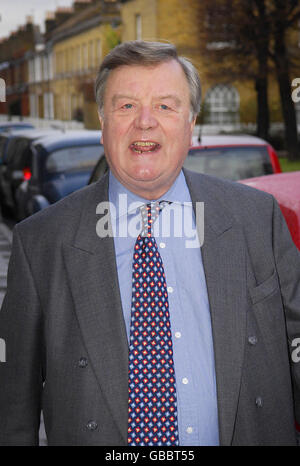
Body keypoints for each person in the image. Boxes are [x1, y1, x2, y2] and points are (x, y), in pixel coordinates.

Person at [0, 40, 300, 446]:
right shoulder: (40, 243)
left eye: (165, 105)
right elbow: (12, 409)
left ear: (191, 123)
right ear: (102, 123)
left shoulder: (256, 219)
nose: (145, 122)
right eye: (126, 106)